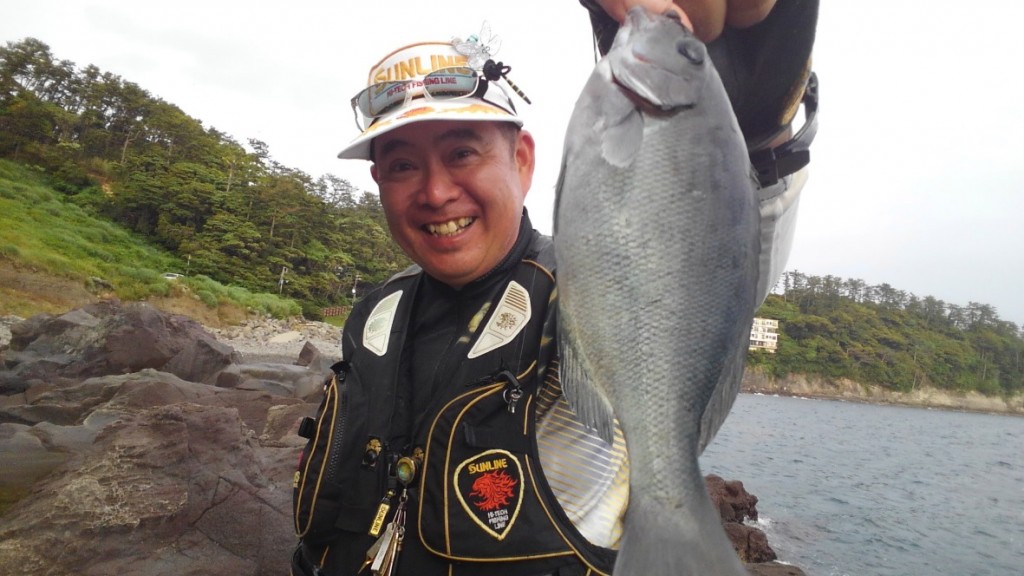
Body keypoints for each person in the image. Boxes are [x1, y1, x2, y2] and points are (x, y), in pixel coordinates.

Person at [290, 1, 818, 575]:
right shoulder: (377, 314)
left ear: (521, 161)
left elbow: (715, 259)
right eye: (402, 166)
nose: (436, 192)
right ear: (379, 183)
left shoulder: (575, 286)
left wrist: (764, 135)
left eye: (462, 152)